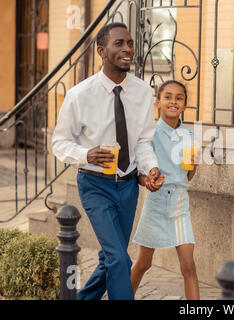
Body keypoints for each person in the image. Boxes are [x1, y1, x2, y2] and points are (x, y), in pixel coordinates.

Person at [52, 22, 164, 300]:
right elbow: (59, 142)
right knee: (118, 258)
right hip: (94, 184)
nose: (127, 49)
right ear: (101, 50)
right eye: (119, 44)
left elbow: (142, 142)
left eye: (130, 43)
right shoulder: (79, 95)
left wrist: (150, 169)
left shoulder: (142, 92)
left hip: (128, 188)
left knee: (109, 258)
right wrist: (85, 154)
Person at [130, 80, 200, 300]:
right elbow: (139, 173)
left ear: (184, 105)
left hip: (180, 204)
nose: (173, 101)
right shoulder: (149, 134)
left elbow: (186, 176)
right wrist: (148, 182)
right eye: (168, 97)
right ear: (158, 102)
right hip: (156, 203)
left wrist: (194, 165)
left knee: (188, 265)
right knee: (144, 263)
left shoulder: (190, 137)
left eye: (179, 98)